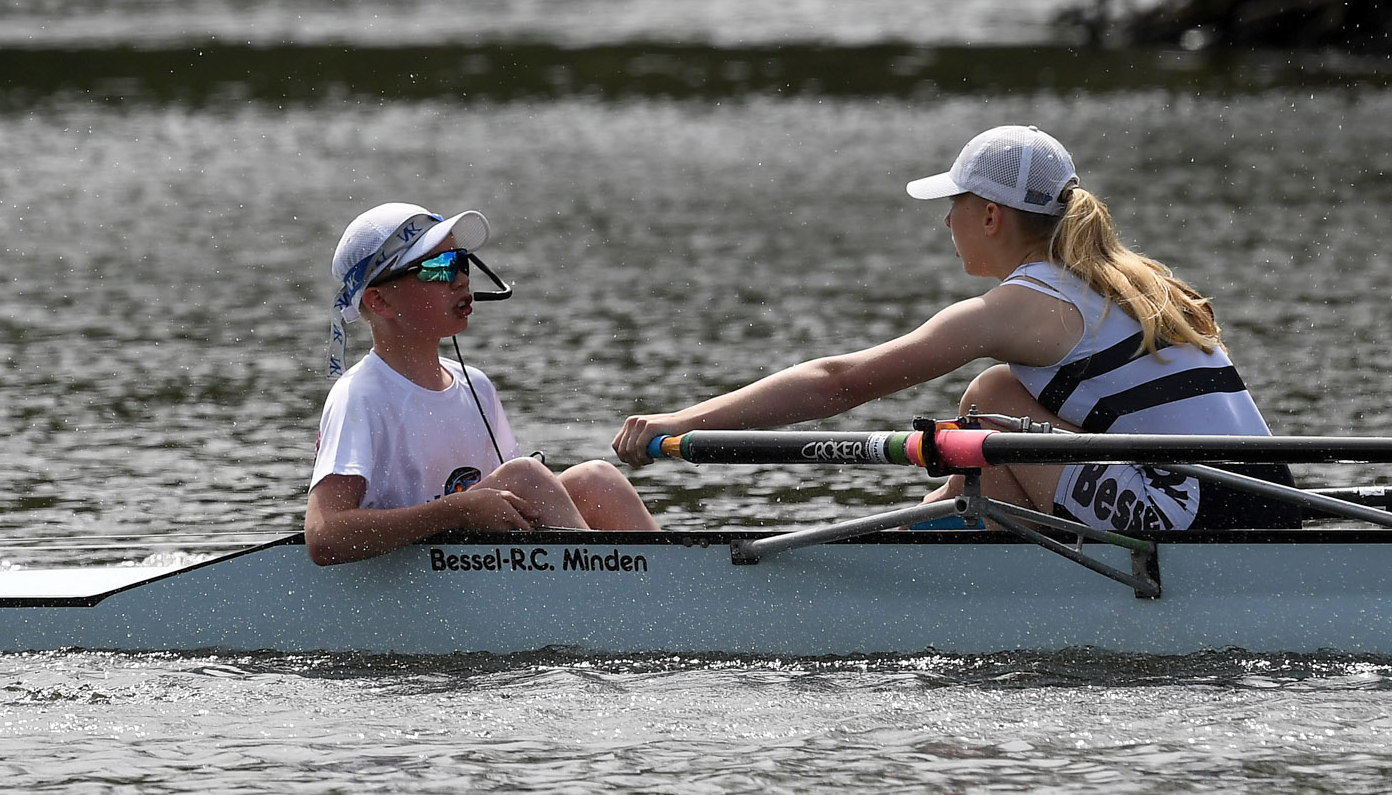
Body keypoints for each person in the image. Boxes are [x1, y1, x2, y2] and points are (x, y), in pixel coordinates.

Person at [613, 125, 1307, 536]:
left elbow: (840, 383)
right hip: (1269, 503)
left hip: (1200, 518)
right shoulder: (1133, 276)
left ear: (990, 215)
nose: (945, 221)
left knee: (990, 405)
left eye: (954, 203)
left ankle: (905, 561)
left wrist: (678, 424)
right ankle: (937, 543)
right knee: (999, 394)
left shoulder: (1023, 306)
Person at [307, 203, 657, 565]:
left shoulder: (477, 385)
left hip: (471, 569)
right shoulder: (359, 396)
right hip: (406, 583)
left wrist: (463, 510)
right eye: (438, 268)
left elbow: (513, 502)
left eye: (461, 262)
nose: (460, 279)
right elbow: (323, 536)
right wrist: (455, 511)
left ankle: (677, 595)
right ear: (379, 301)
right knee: (525, 475)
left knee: (596, 479)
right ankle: (619, 604)